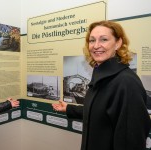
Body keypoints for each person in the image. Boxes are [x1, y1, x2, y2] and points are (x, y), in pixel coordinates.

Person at [52, 20, 151, 150]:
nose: (96, 45)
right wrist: (69, 109)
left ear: (118, 43)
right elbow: (100, 113)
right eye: (92, 40)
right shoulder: (102, 76)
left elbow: (131, 141)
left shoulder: (126, 82)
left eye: (104, 39)